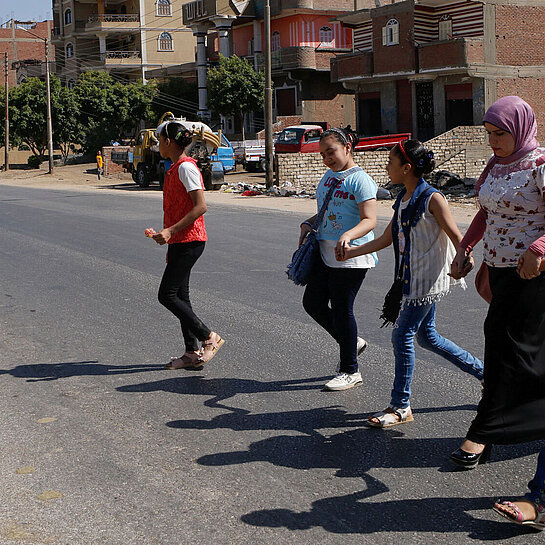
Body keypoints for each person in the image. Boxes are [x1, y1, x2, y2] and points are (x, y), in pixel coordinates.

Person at [448, 96, 545, 525]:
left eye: (500, 133)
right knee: (500, 352)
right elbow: (486, 214)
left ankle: (486, 433)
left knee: (518, 357)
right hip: (502, 271)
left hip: (534, 276)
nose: (494, 142)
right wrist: (466, 247)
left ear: (521, 128)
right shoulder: (496, 166)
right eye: (488, 134)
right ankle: (491, 432)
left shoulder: (540, 163)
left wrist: (539, 248)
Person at [339, 139, 484, 427]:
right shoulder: (402, 199)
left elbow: (457, 236)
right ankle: (487, 375)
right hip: (410, 278)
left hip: (427, 280)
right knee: (427, 337)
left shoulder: (433, 198)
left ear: (406, 168)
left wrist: (463, 260)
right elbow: (386, 238)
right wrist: (352, 251)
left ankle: (400, 406)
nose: (387, 168)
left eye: (391, 164)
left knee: (402, 334)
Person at [299, 126, 377, 391]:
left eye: (330, 152)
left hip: (351, 255)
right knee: (312, 303)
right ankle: (351, 342)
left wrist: (348, 236)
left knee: (343, 309)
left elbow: (370, 220)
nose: (327, 159)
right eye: (322, 154)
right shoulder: (328, 177)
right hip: (325, 250)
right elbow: (325, 212)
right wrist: (308, 223)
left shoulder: (361, 180)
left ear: (347, 148)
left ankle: (350, 370)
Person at [146, 121, 224, 369]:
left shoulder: (186, 168)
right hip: (180, 239)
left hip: (190, 240)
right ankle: (191, 352)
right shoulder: (175, 167)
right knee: (181, 295)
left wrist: (170, 230)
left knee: (166, 295)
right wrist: (167, 233)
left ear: (168, 142)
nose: (158, 145)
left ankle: (208, 337)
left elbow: (201, 206)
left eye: (160, 141)